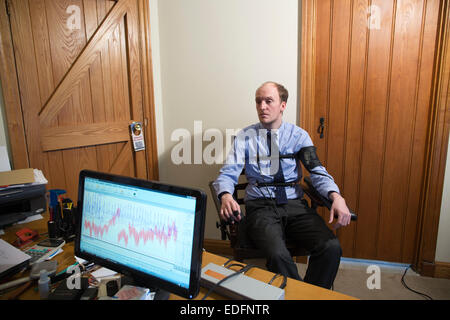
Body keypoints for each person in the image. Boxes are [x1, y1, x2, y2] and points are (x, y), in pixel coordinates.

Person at [212, 81, 352, 289]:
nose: (262, 107)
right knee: (278, 255)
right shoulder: (245, 137)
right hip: (261, 207)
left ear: (283, 105)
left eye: (269, 101)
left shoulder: (299, 136)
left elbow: (317, 171)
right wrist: (225, 194)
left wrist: (336, 196)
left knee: (331, 247)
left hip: (294, 205)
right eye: (258, 101)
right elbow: (228, 173)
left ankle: (310, 294)